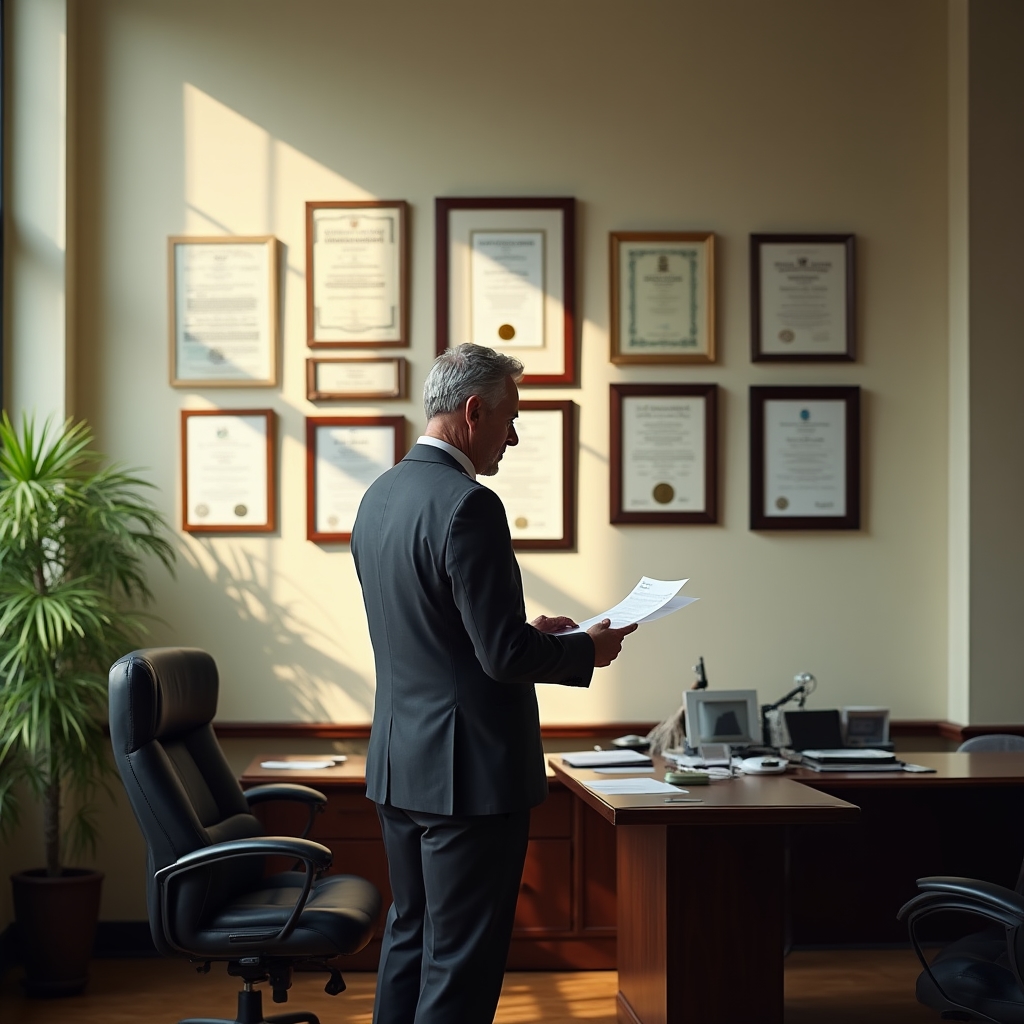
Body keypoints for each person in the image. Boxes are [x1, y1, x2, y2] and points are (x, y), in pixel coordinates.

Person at [350, 343, 636, 1024]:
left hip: (400, 766)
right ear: (473, 411)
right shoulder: (469, 504)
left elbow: (437, 633)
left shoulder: (380, 495)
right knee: (461, 961)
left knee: (411, 939)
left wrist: (532, 631)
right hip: (469, 779)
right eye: (509, 415)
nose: (514, 433)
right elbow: (502, 657)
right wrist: (582, 651)